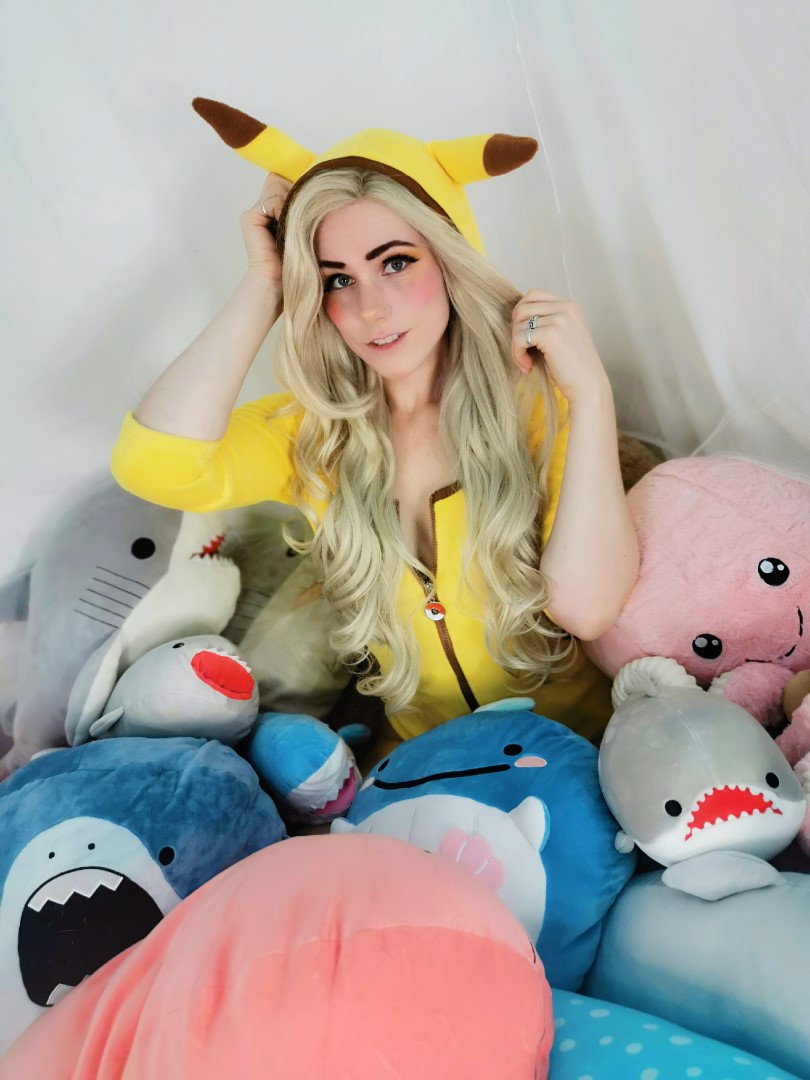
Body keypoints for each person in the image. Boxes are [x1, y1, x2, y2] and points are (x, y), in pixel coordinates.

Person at [111, 99, 639, 759]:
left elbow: (589, 608)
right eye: (337, 279)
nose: (370, 309)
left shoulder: (540, 403)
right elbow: (153, 465)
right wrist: (267, 283)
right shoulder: (315, 432)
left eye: (394, 263)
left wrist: (591, 394)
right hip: (423, 767)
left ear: (449, 259)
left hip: (580, 754)